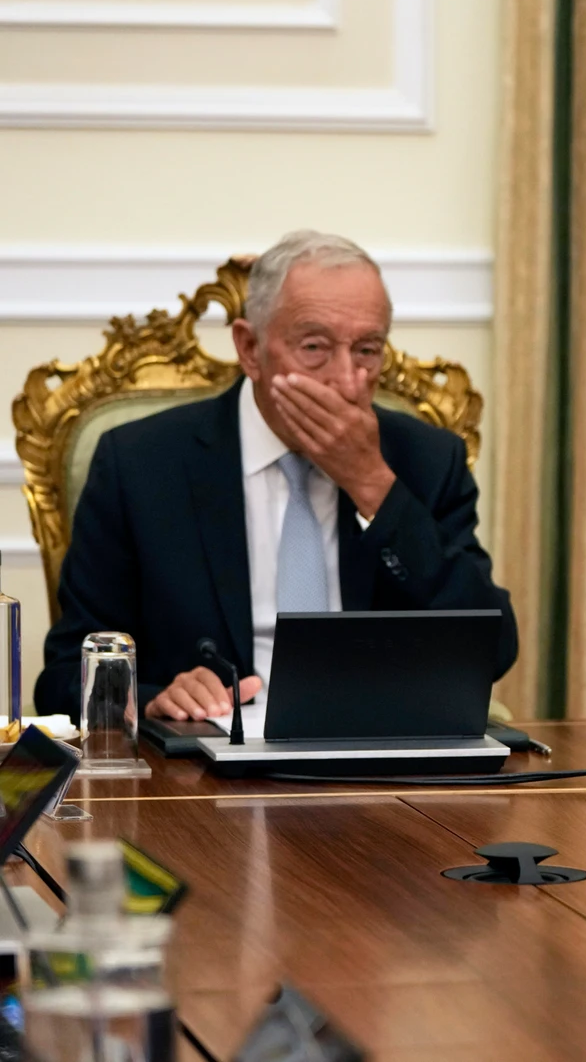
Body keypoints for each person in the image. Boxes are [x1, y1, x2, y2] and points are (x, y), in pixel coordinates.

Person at [37, 230, 517, 722]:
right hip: (206, 770)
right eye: (315, 347)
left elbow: (493, 649)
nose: (347, 381)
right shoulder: (140, 463)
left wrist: (375, 486)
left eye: (368, 351)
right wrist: (155, 696)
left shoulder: (426, 460)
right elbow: (62, 678)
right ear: (250, 348)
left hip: (377, 755)